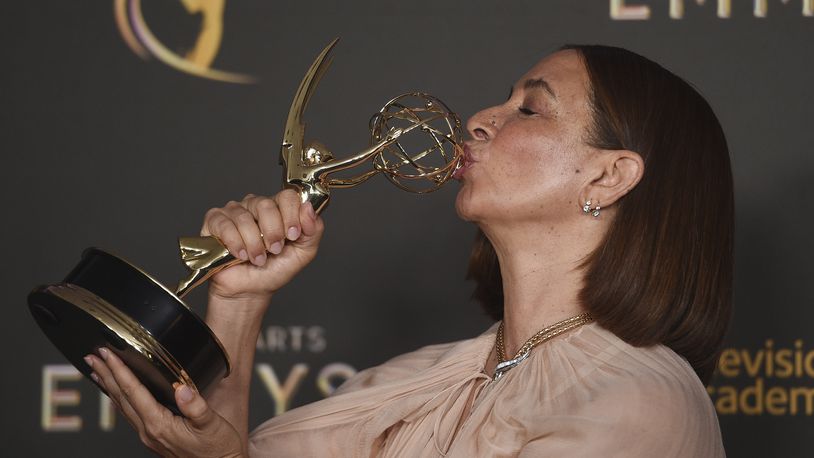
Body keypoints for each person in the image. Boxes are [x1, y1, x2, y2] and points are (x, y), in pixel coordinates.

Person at [85, 44, 733, 457]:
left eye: (531, 110)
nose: (480, 118)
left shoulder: (639, 403)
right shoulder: (416, 381)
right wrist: (240, 303)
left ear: (609, 176)